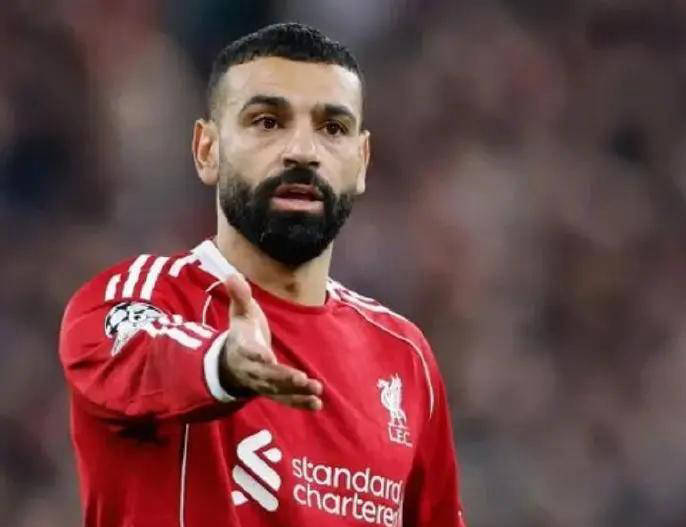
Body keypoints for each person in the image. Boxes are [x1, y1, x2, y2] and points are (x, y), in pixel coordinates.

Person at [59, 22, 467, 527]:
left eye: (332, 128)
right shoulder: (143, 296)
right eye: (268, 122)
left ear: (362, 162)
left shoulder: (405, 358)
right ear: (207, 150)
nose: (303, 151)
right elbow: (134, 346)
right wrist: (223, 363)